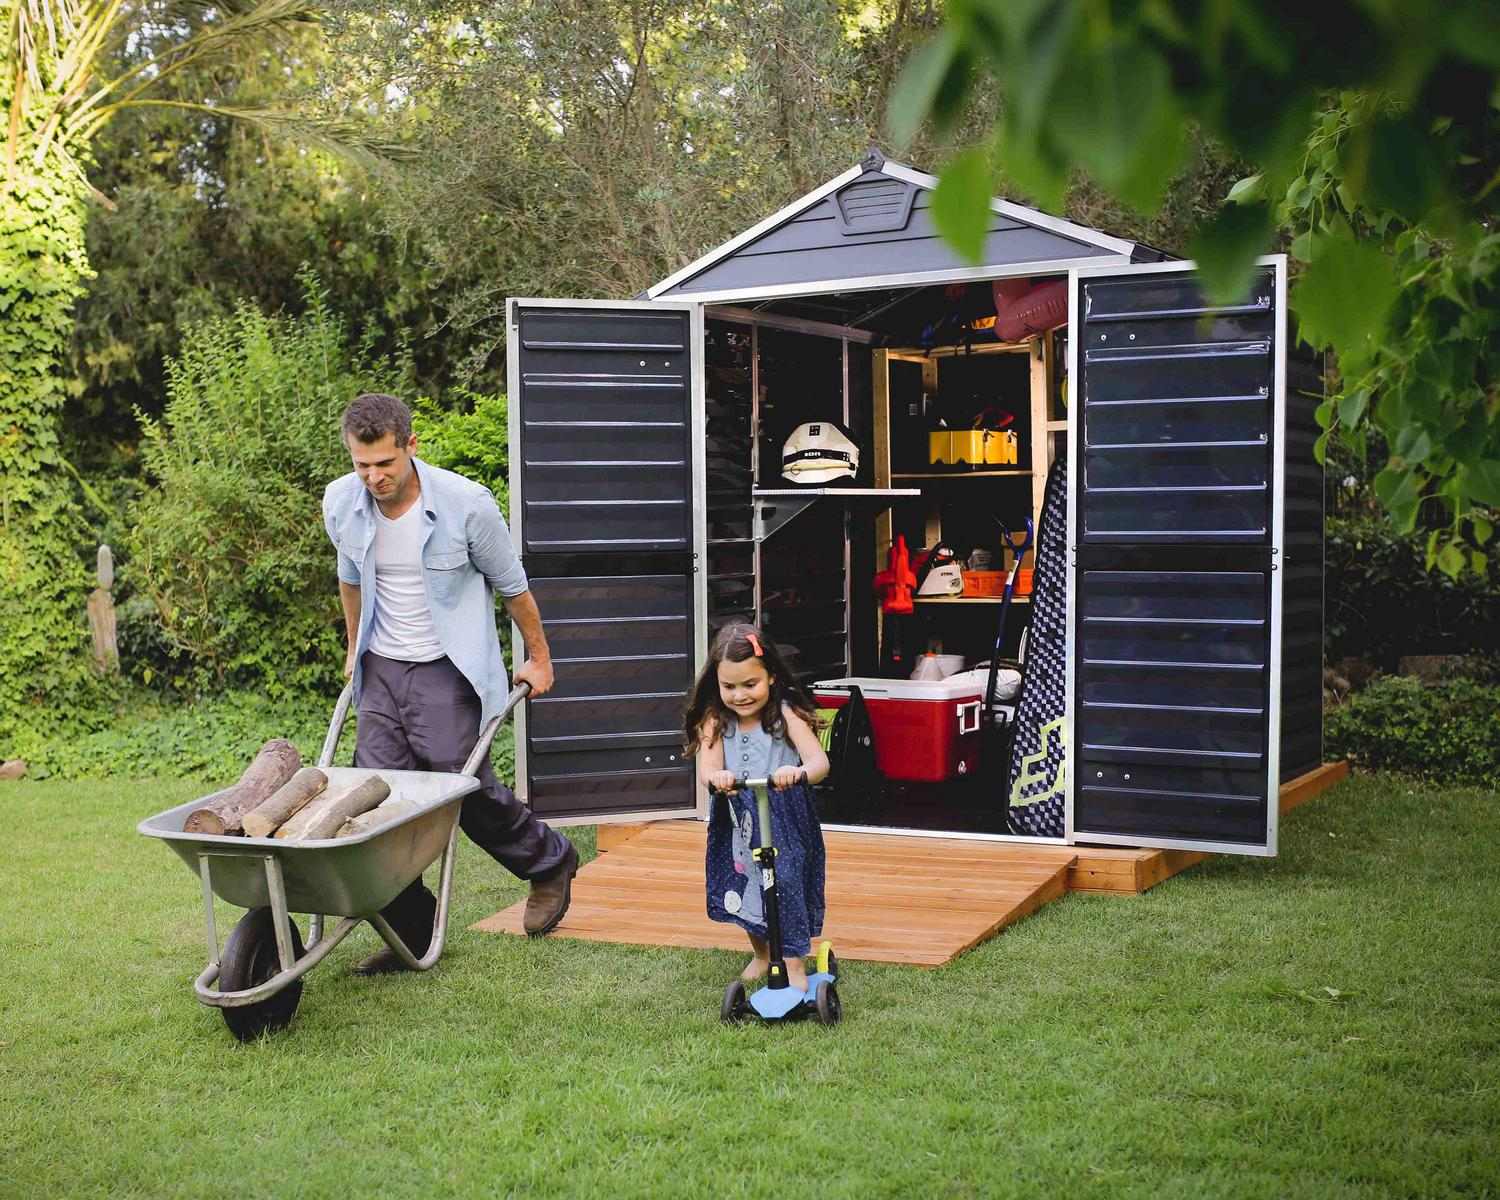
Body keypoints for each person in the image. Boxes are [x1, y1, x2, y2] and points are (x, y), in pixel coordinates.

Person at [322, 392, 578, 972]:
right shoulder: (342, 501)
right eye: (362, 465)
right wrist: (351, 645)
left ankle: (548, 862)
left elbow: (513, 586)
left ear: (411, 445)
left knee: (456, 780)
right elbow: (349, 578)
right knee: (378, 802)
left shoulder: (466, 505)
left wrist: (539, 658)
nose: (374, 477)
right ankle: (410, 929)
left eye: (385, 463)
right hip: (381, 667)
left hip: (447, 665)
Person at [683, 623, 830, 992]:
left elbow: (819, 762)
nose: (740, 695)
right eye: (729, 686)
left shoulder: (785, 715)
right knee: (747, 883)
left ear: (771, 676)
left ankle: (794, 962)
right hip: (739, 819)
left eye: (751, 684)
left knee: (787, 882)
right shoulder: (715, 722)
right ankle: (763, 953)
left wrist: (795, 772)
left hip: (784, 813)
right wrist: (716, 778)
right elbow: (707, 768)